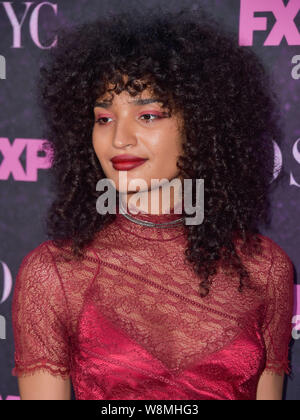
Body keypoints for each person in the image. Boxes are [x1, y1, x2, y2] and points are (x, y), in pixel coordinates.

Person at [11, 7, 294, 400]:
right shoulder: (54, 273)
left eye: (147, 115)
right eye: (104, 119)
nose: (120, 138)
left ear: (201, 124)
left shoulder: (265, 269)